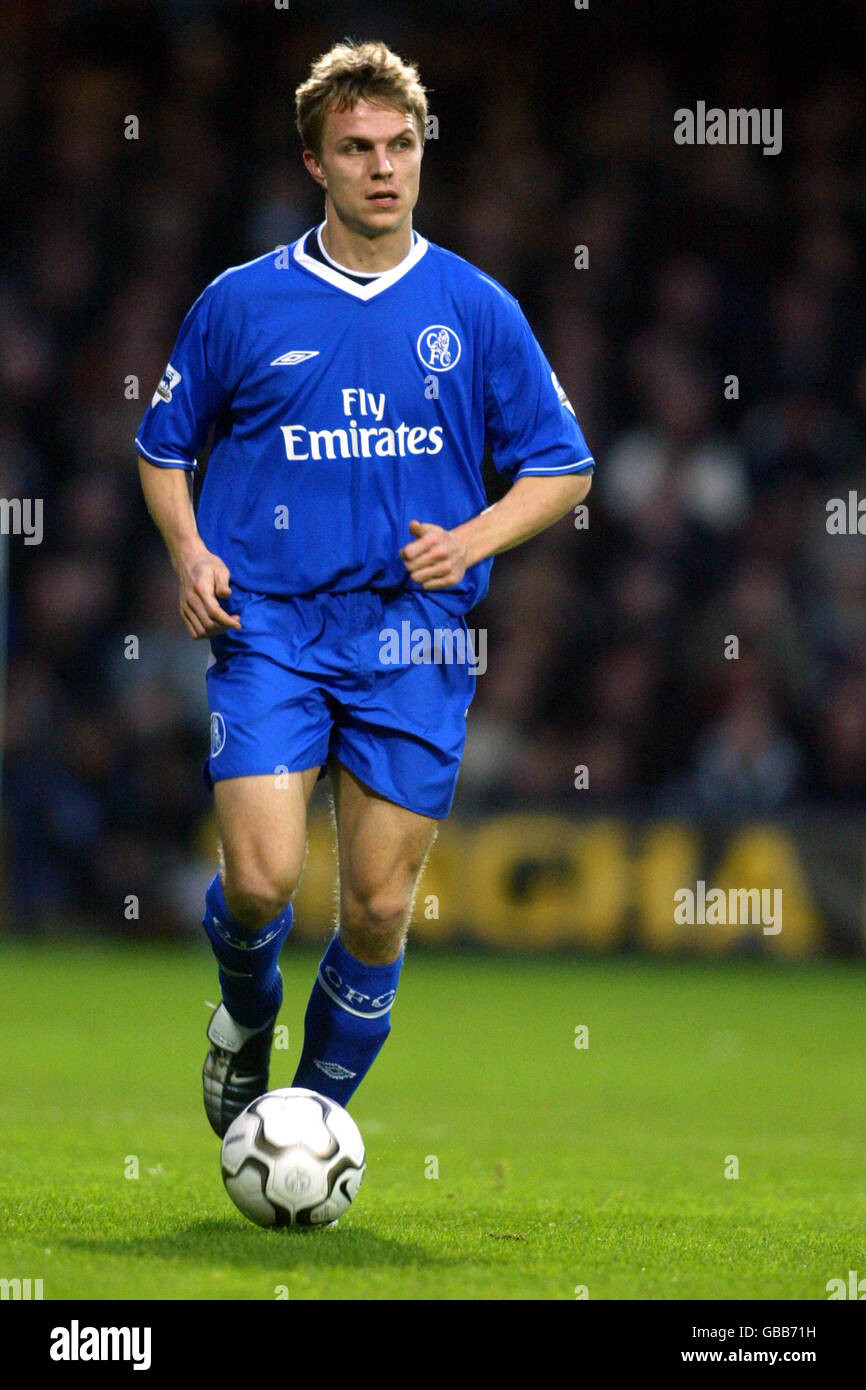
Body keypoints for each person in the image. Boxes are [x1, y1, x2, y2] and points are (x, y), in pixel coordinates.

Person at [135, 39, 594, 1138]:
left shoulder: (474, 309)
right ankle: (245, 1020)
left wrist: (474, 535)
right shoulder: (242, 304)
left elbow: (564, 463)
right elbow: (161, 447)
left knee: (380, 905)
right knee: (260, 881)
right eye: (356, 148)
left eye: (400, 145)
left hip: (415, 635)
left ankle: (304, 1125)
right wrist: (190, 554)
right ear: (314, 163)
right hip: (274, 624)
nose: (383, 168)